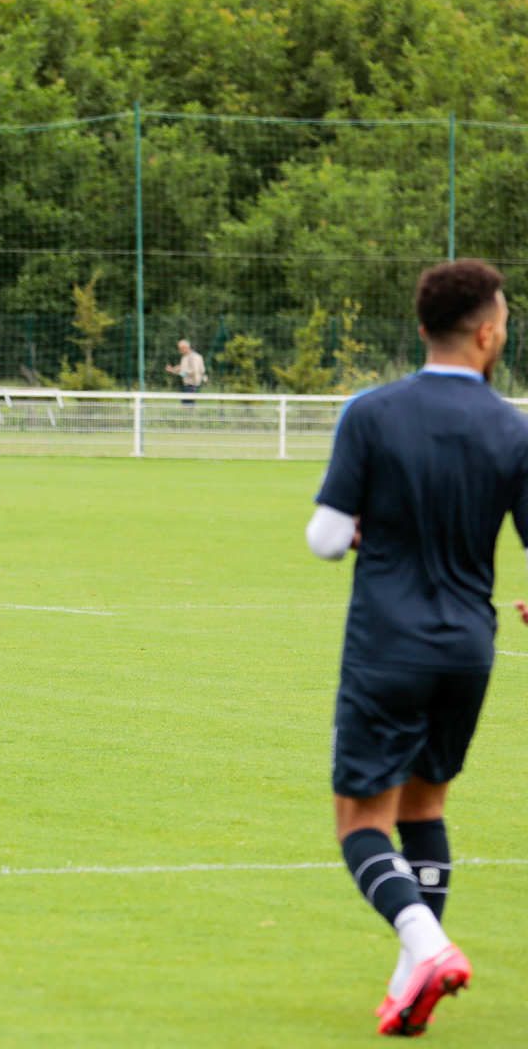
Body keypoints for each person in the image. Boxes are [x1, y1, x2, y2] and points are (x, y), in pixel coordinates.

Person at [305, 258, 528, 1036]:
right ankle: (410, 986)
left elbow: (326, 539)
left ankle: (425, 943)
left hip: (387, 645)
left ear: (421, 327)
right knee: (426, 803)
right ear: (490, 332)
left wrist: (367, 524)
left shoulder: (372, 413)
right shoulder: (515, 426)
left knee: (359, 820)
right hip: (469, 646)